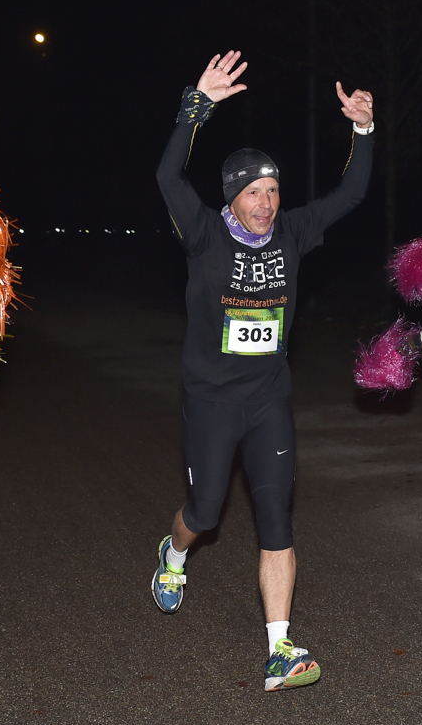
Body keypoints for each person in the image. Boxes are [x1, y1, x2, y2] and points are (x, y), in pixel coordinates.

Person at [150, 50, 373, 691]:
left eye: (274, 190)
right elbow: (168, 176)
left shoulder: (294, 233)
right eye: (256, 190)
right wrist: (196, 107)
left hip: (269, 397)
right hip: (212, 399)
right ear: (233, 195)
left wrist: (362, 131)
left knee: (277, 517)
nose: (268, 202)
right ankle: (173, 553)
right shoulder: (203, 233)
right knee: (207, 510)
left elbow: (352, 194)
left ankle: (281, 649)